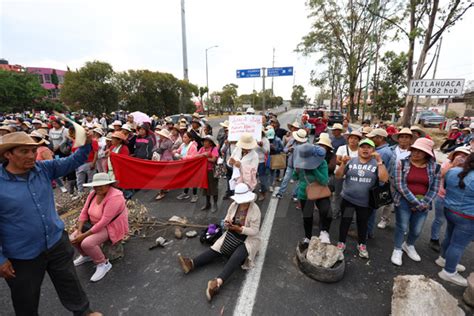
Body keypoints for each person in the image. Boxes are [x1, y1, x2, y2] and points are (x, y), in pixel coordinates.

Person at [0, 132, 102, 315]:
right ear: (8, 154)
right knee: (25, 296)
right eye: (24, 151)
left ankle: (84, 312)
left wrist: (86, 143)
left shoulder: (44, 168)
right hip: (21, 254)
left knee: (69, 282)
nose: (32, 155)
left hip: (56, 242)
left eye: (33, 150)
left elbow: (74, 160)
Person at [177, 183, 261, 302]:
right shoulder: (234, 205)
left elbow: (255, 230)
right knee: (215, 248)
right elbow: (227, 218)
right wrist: (227, 223)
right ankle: (191, 263)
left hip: (248, 238)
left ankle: (217, 282)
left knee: (236, 257)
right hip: (232, 233)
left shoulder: (255, 210)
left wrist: (241, 229)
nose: (241, 202)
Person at [391, 138, 441, 266]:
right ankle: (397, 249)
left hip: (423, 202)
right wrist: (415, 202)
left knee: (417, 229)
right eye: (414, 150)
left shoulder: (435, 167)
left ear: (427, 153)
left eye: (420, 151)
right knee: (402, 226)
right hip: (403, 200)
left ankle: (409, 245)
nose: (416, 153)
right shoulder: (401, 163)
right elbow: (399, 185)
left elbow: (435, 188)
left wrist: (424, 202)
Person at [70, 173, 129, 282]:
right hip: (93, 224)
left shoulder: (115, 196)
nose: (98, 187)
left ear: (108, 185)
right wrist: (79, 230)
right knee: (72, 238)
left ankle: (103, 263)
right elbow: (84, 212)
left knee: (86, 243)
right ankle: (86, 255)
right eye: (96, 185)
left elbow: (104, 221)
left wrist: (83, 235)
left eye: (101, 185)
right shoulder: (93, 194)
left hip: (110, 226)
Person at [335, 139, 388, 259]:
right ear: (358, 149)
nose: (365, 149)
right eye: (362, 147)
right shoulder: (351, 161)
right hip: (348, 199)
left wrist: (380, 161)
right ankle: (341, 243)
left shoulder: (376, 163)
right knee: (345, 221)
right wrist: (343, 163)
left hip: (365, 202)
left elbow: (384, 179)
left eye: (368, 147)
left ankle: (362, 244)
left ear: (373, 151)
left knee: (362, 223)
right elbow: (338, 176)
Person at [437, 153, 473, 287]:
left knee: (450, 236)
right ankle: (449, 271)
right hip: (468, 216)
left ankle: (444, 259)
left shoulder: (452, 171)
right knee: (458, 245)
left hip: (450, 209)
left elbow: (445, 187)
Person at [429, 146, 470, 252]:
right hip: (442, 196)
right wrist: (452, 165)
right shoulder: (448, 164)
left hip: (456, 200)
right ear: (454, 155)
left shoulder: (468, 170)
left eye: (465, 156)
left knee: (452, 224)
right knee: (439, 219)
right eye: (459, 154)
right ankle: (434, 239)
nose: (461, 157)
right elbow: (440, 175)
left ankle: (448, 244)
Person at [293, 143, 331, 249]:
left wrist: (314, 168)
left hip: (320, 192)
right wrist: (296, 171)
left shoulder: (322, 163)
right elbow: (295, 177)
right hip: (304, 193)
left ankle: (324, 232)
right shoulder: (299, 162)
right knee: (307, 217)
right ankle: (308, 237)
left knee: (326, 211)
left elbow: (324, 180)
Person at [377, 128, 413, 229]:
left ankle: (403, 224)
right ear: (398, 139)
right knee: (388, 201)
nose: (404, 139)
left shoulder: (413, 152)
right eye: (402, 137)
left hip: (405, 181)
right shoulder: (391, 149)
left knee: (404, 203)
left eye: (407, 137)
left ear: (410, 140)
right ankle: (384, 219)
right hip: (391, 178)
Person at [332, 131, 362, 218]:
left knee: (351, 196)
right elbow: (337, 161)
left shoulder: (360, 150)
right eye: (351, 138)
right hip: (340, 175)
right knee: (337, 194)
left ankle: (348, 215)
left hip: (353, 176)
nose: (353, 140)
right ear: (348, 139)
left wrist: (348, 161)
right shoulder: (342, 148)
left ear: (359, 140)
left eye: (355, 138)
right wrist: (344, 161)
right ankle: (335, 211)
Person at [174, 132, 199, 203]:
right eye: (183, 137)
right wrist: (175, 152)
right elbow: (178, 150)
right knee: (186, 179)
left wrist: (182, 157)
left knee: (193, 181)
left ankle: (195, 195)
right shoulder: (182, 145)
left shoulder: (193, 146)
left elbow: (193, 157)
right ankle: (185, 193)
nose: (183, 139)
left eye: (185, 137)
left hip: (191, 166)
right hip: (184, 166)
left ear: (190, 138)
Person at [197, 135, 219, 212]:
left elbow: (213, 159)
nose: (205, 143)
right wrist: (203, 155)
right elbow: (197, 156)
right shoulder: (202, 149)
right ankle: (207, 203)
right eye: (204, 141)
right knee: (205, 188)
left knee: (213, 188)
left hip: (212, 171)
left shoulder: (214, 149)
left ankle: (215, 204)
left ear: (211, 143)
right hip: (203, 171)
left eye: (206, 141)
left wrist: (205, 157)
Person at [154, 129, 175, 201]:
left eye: (161, 135)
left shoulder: (167, 142)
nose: (160, 136)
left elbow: (161, 149)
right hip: (164, 158)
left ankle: (162, 192)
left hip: (166, 159)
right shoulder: (163, 141)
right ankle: (165, 188)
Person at [265, 126, 284, 193]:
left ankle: (271, 185)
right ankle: (266, 184)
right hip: (267, 157)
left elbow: (282, 149)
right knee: (266, 171)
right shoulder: (266, 139)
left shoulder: (278, 140)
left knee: (272, 172)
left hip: (275, 157)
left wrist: (274, 148)